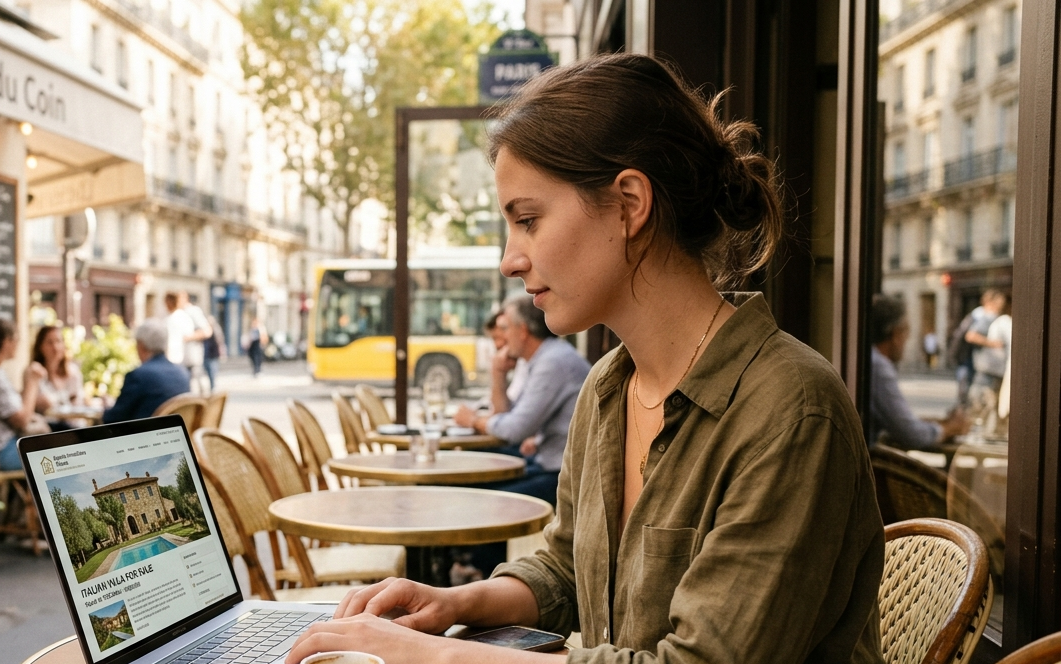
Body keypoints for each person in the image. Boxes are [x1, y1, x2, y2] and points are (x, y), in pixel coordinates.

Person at [287, 54, 884, 664]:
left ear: (629, 204)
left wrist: (432, 656)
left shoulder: (791, 412)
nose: (509, 260)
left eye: (527, 220)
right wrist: (453, 602)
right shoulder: (607, 386)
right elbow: (566, 567)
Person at [453, 295, 589, 506]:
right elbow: (507, 418)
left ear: (523, 331)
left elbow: (515, 430)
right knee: (465, 482)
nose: (503, 338)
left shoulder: (553, 362)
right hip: (548, 463)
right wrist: (497, 374)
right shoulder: (541, 358)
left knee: (476, 498)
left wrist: (473, 421)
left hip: (564, 477)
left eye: (506, 328)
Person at [869, 294, 968, 449]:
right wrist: (950, 428)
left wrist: (938, 424)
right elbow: (912, 434)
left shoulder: (871, 360)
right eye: (906, 330)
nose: (907, 339)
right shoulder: (878, 367)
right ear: (896, 334)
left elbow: (900, 421)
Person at [0, 318, 47, 471]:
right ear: (7, 342)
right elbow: (21, 420)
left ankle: (26, 496)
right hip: (1, 452)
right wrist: (32, 381)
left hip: (3, 445)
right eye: (16, 340)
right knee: (57, 457)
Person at [104, 318, 191, 424]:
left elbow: (114, 418)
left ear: (141, 345)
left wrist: (106, 407)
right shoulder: (183, 373)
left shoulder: (139, 376)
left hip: (145, 437)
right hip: (176, 435)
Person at [966, 290, 1010, 429]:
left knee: (990, 407)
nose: (1002, 302)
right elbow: (971, 336)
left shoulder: (994, 317)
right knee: (983, 406)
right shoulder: (988, 317)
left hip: (992, 371)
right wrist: (994, 343)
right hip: (987, 371)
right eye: (999, 299)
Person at [30, 326, 85, 431]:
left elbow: (79, 405)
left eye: (58, 341)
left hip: (74, 428)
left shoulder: (73, 374)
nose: (55, 347)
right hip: (48, 431)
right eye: (49, 342)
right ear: (40, 346)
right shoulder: (35, 373)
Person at [164, 292, 212, 392]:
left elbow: (207, 331)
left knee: (192, 384)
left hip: (190, 356)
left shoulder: (191, 311)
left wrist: (184, 338)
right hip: (180, 357)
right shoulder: (176, 314)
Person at [201, 313, 226, 394]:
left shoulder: (216, 330)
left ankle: (213, 386)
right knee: (208, 370)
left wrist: (221, 352)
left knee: (212, 370)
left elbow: (220, 341)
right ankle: (211, 386)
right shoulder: (205, 330)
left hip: (213, 353)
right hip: (206, 353)